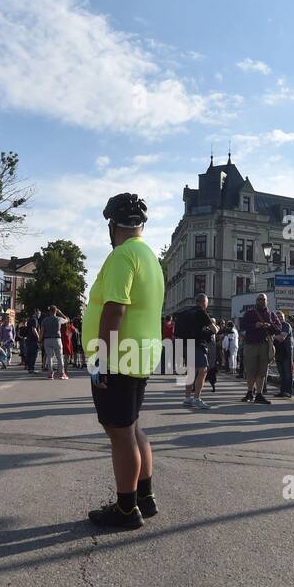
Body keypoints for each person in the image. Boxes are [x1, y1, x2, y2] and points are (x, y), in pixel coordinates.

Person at [85, 192, 163, 529]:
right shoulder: (149, 257)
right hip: (139, 355)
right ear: (141, 224)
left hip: (117, 357)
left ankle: (126, 510)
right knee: (131, 428)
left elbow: (114, 309)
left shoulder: (121, 257)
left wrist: (100, 357)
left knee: (119, 433)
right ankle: (144, 497)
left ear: (112, 225)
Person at [239, 292, 282, 405]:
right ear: (256, 301)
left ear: (267, 301)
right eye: (259, 299)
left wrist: (270, 325)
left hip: (265, 345)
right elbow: (242, 325)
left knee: (262, 371)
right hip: (251, 344)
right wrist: (255, 325)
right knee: (250, 370)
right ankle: (249, 392)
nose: (261, 301)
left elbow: (279, 328)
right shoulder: (250, 313)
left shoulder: (271, 314)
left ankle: (259, 394)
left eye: (263, 299)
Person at [181, 293, 216, 408]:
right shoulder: (201, 312)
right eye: (207, 303)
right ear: (203, 302)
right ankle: (197, 398)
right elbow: (214, 330)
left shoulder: (186, 313)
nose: (207, 305)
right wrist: (218, 328)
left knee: (191, 371)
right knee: (203, 370)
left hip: (186, 344)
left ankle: (187, 398)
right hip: (197, 344)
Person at [41, 304, 69, 380]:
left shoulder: (45, 320)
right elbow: (67, 320)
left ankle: (50, 374)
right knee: (59, 357)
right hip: (57, 339)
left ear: (49, 311)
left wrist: (40, 340)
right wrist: (60, 312)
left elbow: (42, 331)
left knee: (49, 357)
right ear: (55, 311)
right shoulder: (58, 319)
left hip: (47, 339)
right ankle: (61, 374)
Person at [273, 315, 294, 398]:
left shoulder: (286, 325)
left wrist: (272, 336)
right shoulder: (275, 326)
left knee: (288, 373)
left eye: (281, 316)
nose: (280, 318)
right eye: (278, 317)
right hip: (278, 352)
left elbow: (282, 337)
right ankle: (282, 391)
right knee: (281, 374)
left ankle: (288, 392)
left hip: (286, 352)